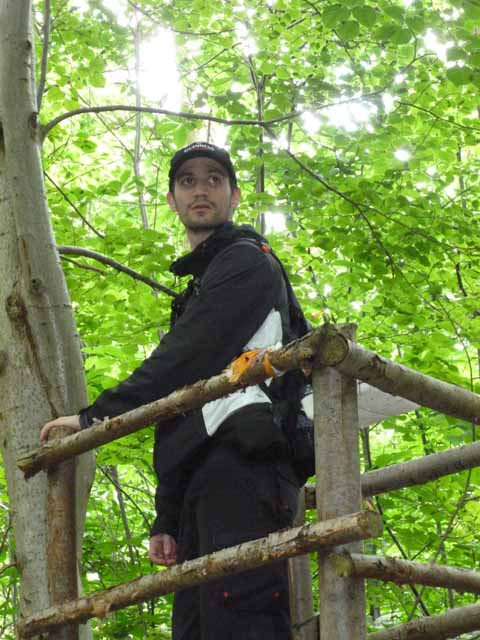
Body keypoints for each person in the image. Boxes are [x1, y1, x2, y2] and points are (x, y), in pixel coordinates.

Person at [41, 142, 300, 640]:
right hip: (206, 478)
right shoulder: (200, 286)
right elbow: (183, 409)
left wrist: (95, 417)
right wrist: (169, 515)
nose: (200, 190)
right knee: (195, 628)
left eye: (214, 180)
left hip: (248, 468)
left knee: (241, 620)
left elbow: (184, 358)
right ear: (171, 200)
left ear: (235, 196)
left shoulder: (248, 264)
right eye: (187, 181)